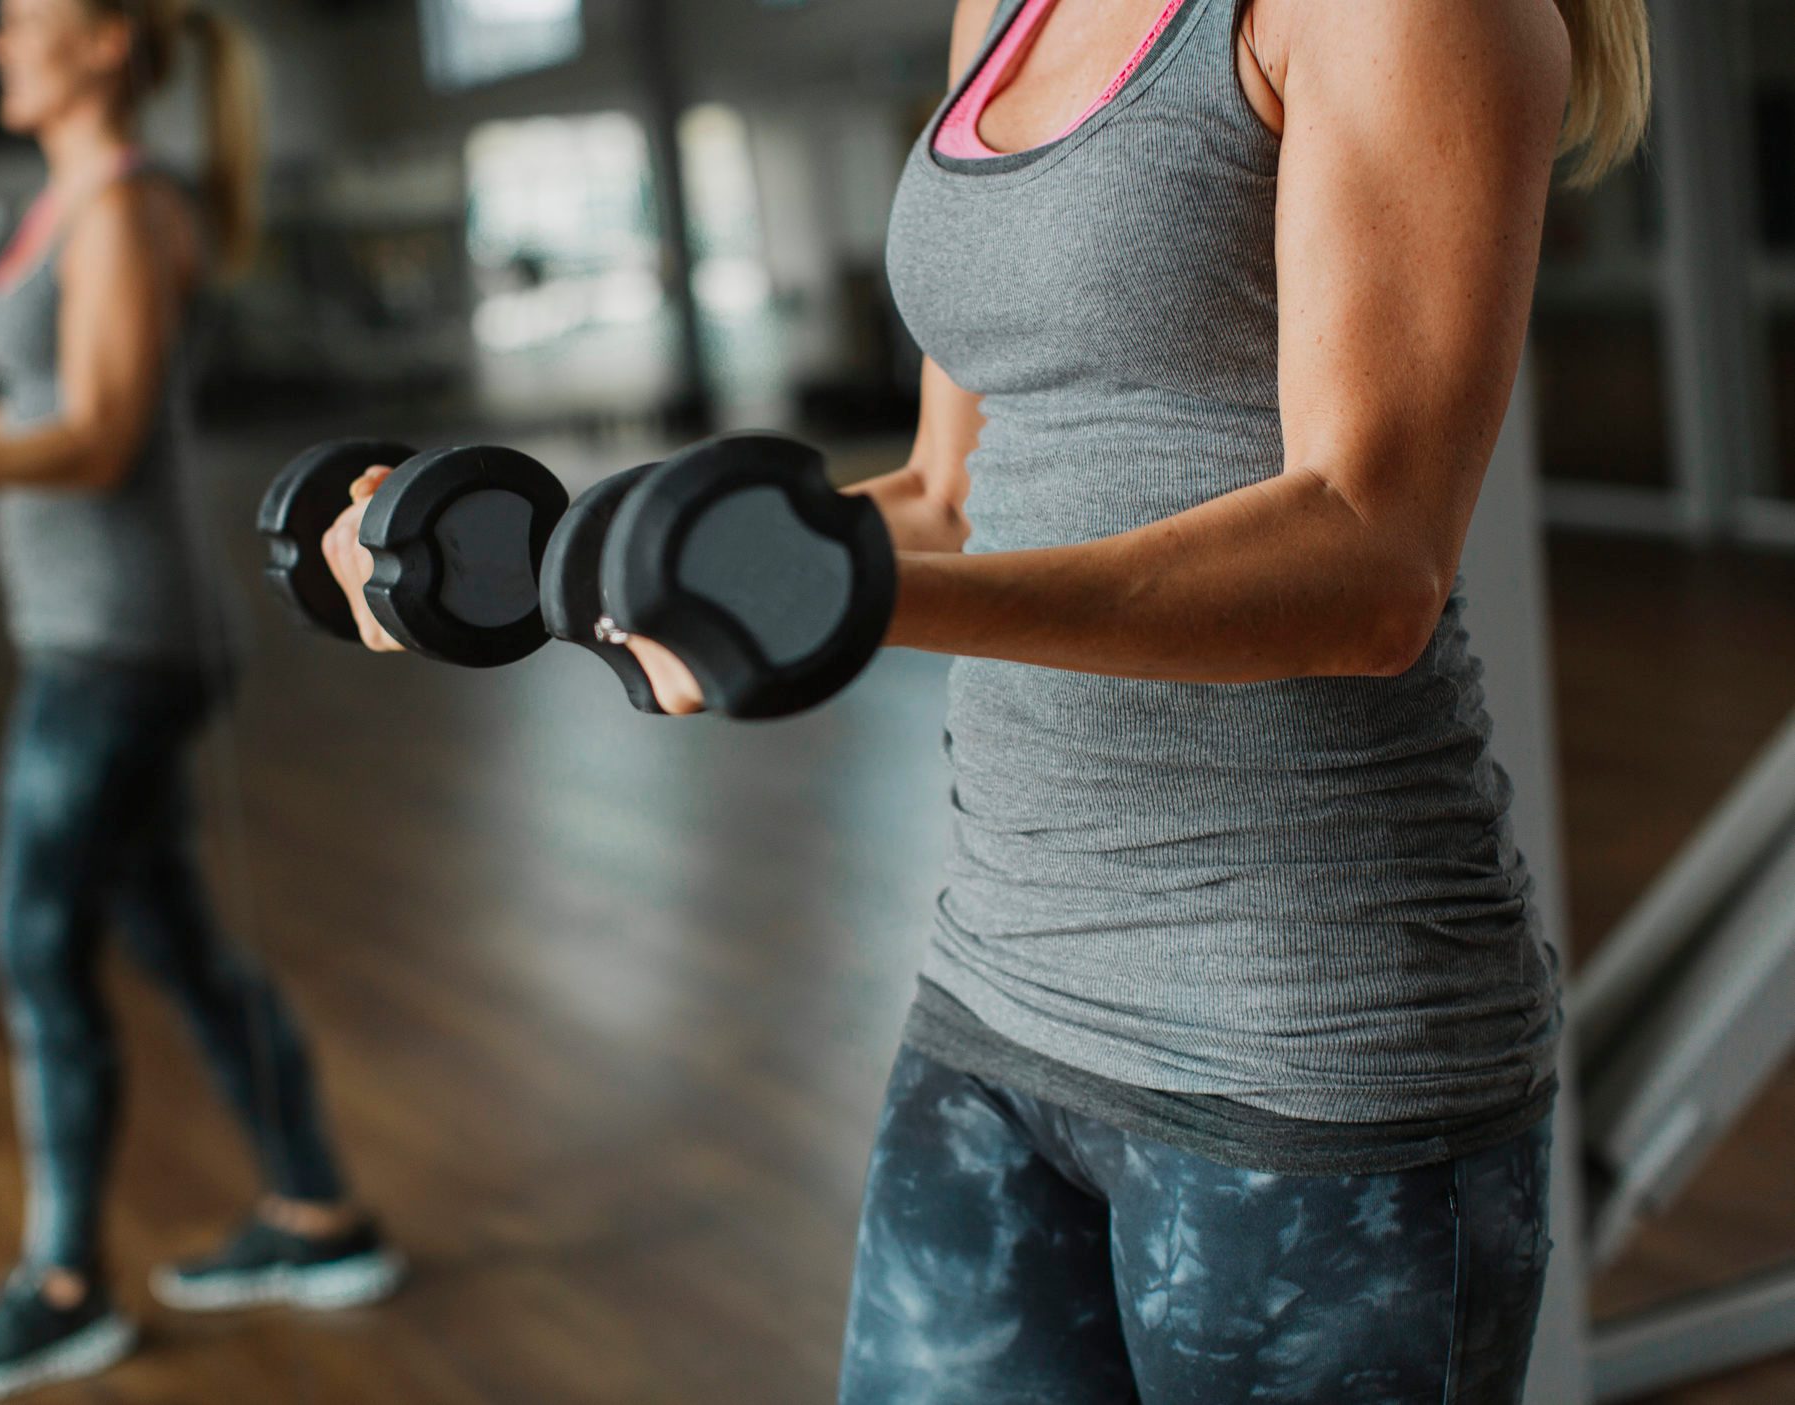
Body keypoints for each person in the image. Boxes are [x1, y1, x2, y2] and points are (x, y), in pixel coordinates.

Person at [321, 0, 1647, 1400]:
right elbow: (946, 500)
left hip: (1300, 1042)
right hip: (999, 992)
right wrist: (568, 559)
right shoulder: (1005, 12)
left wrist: (825, 597)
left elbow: (1367, 559)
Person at [0, 4, 399, 1401]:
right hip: (96, 627)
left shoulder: (123, 207)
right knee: (168, 939)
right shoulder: (72, 201)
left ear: (107, 43)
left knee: (35, 943)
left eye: (24, 22)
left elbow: (96, 438)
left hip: (119, 638)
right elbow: (32, 401)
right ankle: (318, 1216)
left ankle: (63, 1285)